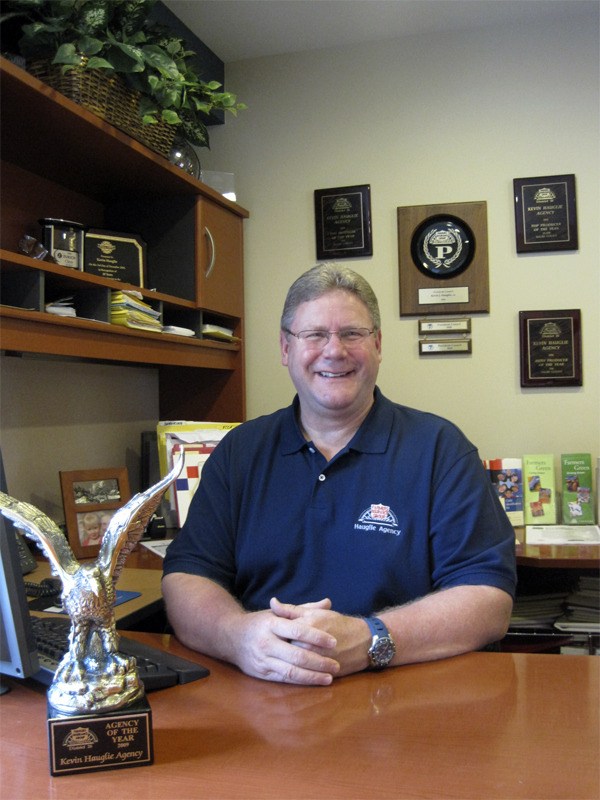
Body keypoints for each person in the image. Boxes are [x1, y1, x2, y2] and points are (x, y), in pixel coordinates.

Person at [163, 264, 516, 685]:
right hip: (262, 695)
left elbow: (488, 600)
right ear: (285, 348)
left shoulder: (441, 450)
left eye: (352, 333)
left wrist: (371, 639)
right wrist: (236, 636)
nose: (334, 351)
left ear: (378, 345)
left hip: (401, 697)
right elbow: (186, 578)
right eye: (314, 335)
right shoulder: (240, 451)